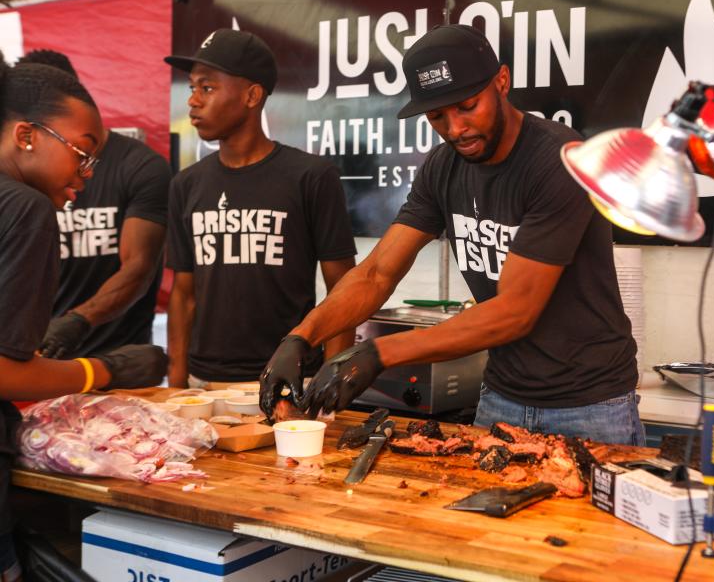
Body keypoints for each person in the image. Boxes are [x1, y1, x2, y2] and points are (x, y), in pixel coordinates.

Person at [260, 24, 643, 445]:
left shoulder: (557, 160)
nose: (455, 128)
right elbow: (376, 274)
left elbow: (516, 311)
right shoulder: (442, 168)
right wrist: (301, 337)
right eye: (438, 115)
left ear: (502, 81)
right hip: (502, 397)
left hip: (590, 406)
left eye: (467, 106)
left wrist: (380, 352)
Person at [0, 55, 167, 581]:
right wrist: (105, 370)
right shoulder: (26, 209)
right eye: (82, 152)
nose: (87, 174)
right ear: (26, 135)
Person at [164, 29, 357, 388]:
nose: (192, 100)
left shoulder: (311, 177)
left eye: (207, 88)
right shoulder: (185, 184)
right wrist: (176, 383)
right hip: (203, 382)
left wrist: (332, 379)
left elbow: (344, 289)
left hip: (289, 378)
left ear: (252, 95)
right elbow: (183, 292)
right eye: (191, 88)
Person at [16, 50, 171, 359]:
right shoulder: (21, 175)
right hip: (40, 361)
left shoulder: (139, 166)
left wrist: (78, 320)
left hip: (117, 359)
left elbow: (139, 267)